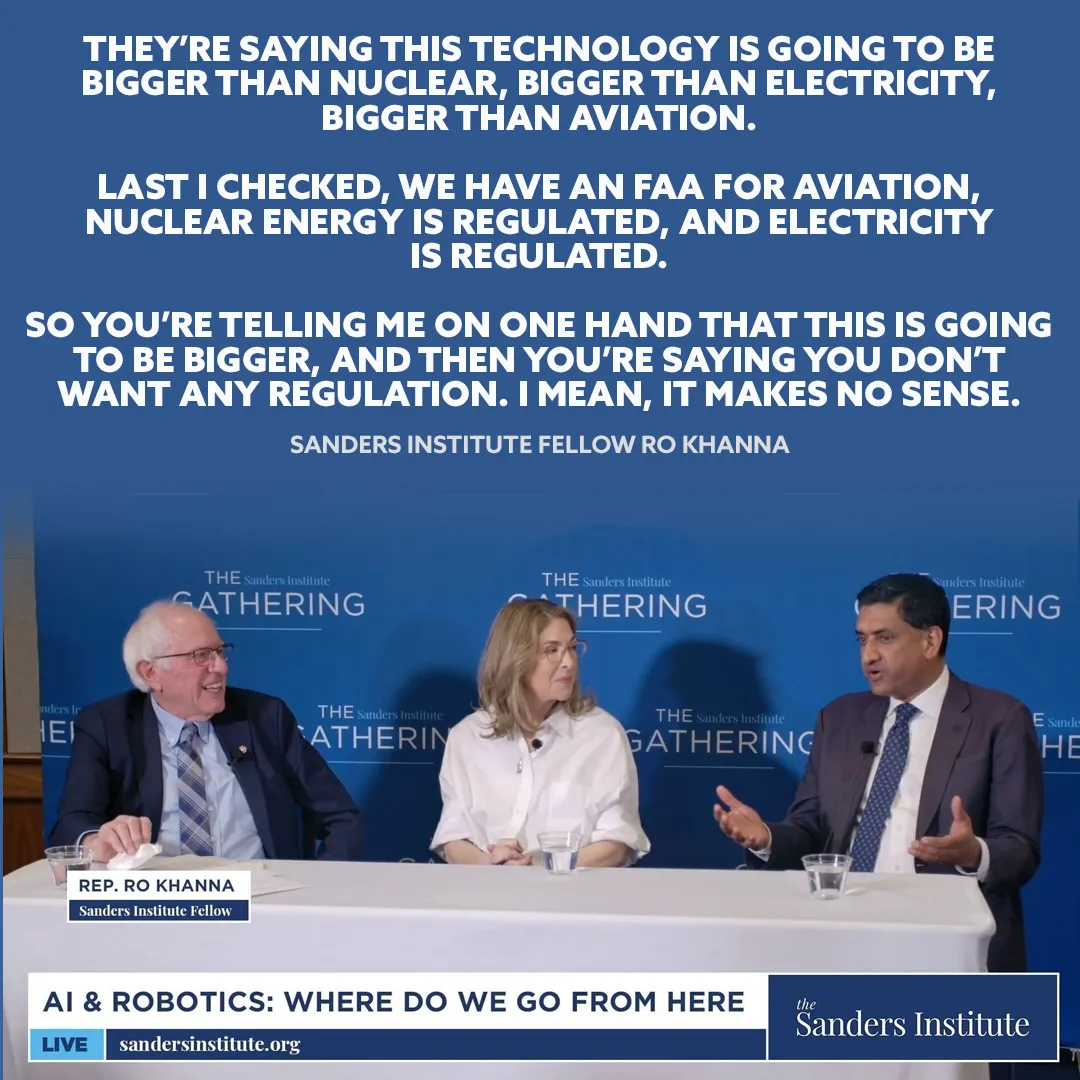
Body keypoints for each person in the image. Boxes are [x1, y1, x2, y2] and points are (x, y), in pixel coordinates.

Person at [713, 573, 1043, 973]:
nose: (868, 655)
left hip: (947, 938)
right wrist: (766, 837)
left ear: (930, 641)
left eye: (885, 638)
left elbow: (1019, 849)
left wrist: (972, 853)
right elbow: (810, 830)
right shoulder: (840, 718)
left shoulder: (999, 719)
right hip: (842, 930)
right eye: (861, 639)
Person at [51, 600, 364, 862]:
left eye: (220, 651)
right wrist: (96, 841)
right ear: (151, 673)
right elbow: (72, 823)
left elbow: (341, 817)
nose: (221, 667)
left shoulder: (264, 717)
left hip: (263, 895)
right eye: (200, 656)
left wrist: (318, 891)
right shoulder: (106, 726)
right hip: (156, 900)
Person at [431, 598, 649, 867]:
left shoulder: (603, 735)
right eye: (552, 650)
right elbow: (453, 839)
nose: (569, 662)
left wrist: (540, 868)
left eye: (572, 648)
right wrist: (490, 865)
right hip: (485, 888)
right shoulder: (467, 736)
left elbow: (617, 844)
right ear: (515, 658)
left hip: (573, 889)